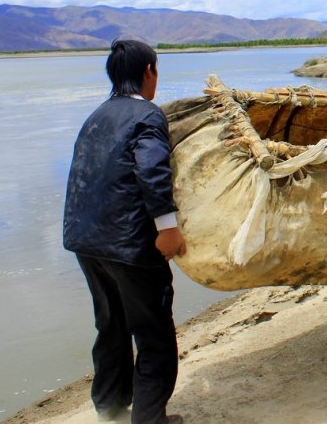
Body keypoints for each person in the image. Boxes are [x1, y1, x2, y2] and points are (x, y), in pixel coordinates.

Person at [63, 39, 187, 424]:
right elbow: (151, 170)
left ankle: (110, 408)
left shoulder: (97, 114)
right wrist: (168, 228)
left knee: (111, 326)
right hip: (130, 246)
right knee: (153, 336)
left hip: (87, 242)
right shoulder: (147, 115)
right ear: (149, 71)